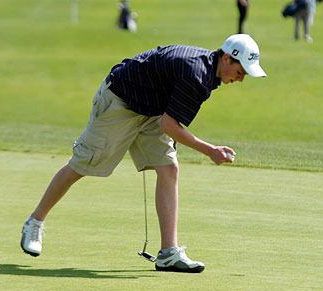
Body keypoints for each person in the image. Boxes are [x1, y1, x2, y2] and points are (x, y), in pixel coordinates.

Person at [20, 34, 266, 273]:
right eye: (240, 71)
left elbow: (166, 121)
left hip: (152, 111)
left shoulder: (207, 73)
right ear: (226, 58)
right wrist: (210, 151)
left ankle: (169, 253)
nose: (241, 79)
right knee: (83, 165)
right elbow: (170, 126)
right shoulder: (197, 74)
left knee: (169, 168)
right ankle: (35, 222)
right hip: (120, 102)